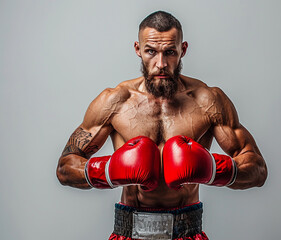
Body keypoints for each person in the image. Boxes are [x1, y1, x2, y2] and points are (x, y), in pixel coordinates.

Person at [56, 10, 267, 240]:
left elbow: (257, 170)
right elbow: (65, 168)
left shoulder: (208, 101)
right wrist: (108, 171)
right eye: (150, 52)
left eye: (170, 52)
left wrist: (215, 170)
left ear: (183, 50)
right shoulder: (115, 102)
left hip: (187, 232)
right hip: (129, 231)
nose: (161, 64)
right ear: (138, 49)